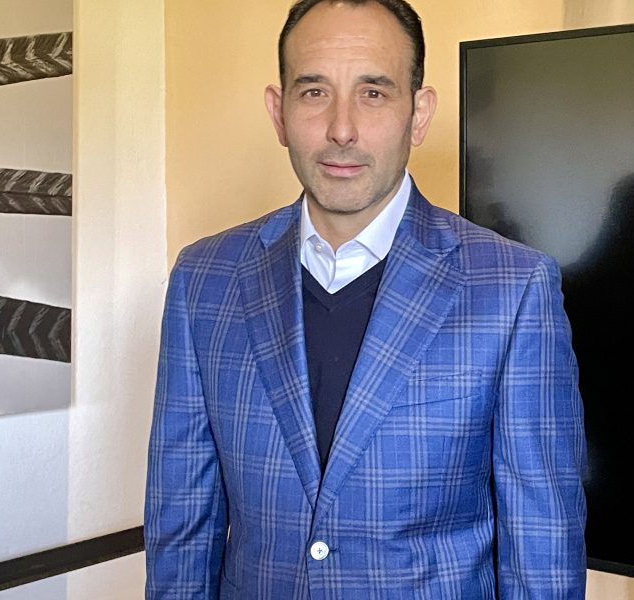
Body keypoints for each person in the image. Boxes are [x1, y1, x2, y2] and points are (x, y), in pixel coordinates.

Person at [144, 1, 587, 598]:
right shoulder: (205, 280)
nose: (342, 129)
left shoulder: (512, 288)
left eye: (373, 93)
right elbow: (181, 526)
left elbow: (542, 546)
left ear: (418, 114)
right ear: (278, 112)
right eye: (314, 92)